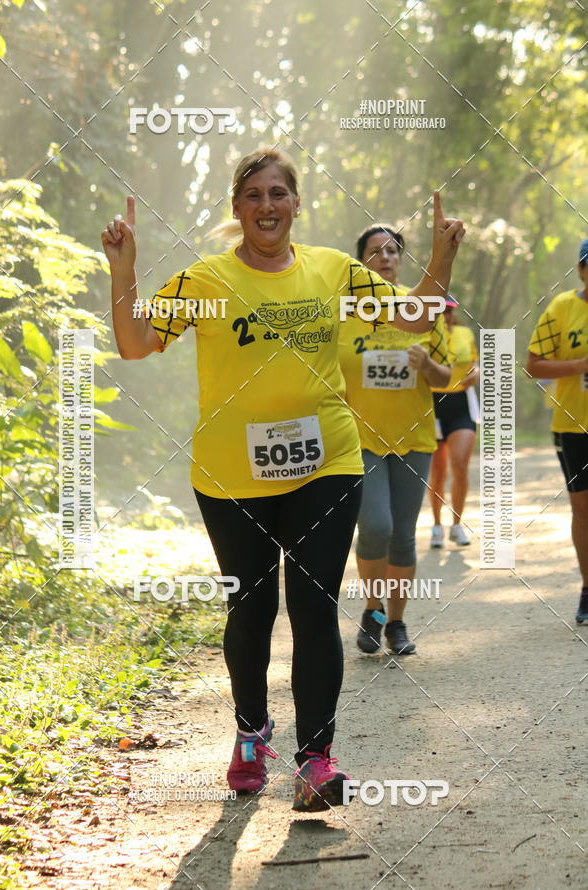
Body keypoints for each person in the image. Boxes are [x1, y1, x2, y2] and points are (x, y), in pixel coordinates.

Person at [101, 147, 464, 812]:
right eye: (253, 196)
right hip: (231, 473)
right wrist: (123, 270)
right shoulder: (206, 281)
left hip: (327, 464)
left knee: (314, 607)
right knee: (252, 608)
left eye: (278, 193)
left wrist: (440, 257)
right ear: (237, 210)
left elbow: (414, 316)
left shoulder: (335, 271)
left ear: (297, 204)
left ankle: (315, 761)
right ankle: (251, 730)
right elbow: (134, 342)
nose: (267, 205)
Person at [339, 225, 452, 655]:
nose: (385, 258)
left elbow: (447, 380)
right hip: (359, 437)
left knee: (403, 534)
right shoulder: (344, 312)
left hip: (414, 438)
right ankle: (373, 609)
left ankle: (396, 623)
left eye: (392, 251)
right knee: (376, 526)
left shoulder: (422, 309)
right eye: (374, 252)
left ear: (401, 259)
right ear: (360, 262)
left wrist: (426, 366)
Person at [525, 239, 588, 625]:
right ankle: (587, 587)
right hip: (573, 425)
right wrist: (581, 364)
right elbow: (533, 365)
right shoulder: (563, 308)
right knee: (583, 509)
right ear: (581, 269)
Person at [428, 297, 479, 548]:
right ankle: (437, 526)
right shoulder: (423, 335)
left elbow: (474, 364)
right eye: (439, 311)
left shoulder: (464, 333)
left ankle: (457, 525)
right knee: (438, 471)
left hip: (461, 405)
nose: (444, 316)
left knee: (459, 464)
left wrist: (476, 373)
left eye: (448, 311)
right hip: (433, 405)